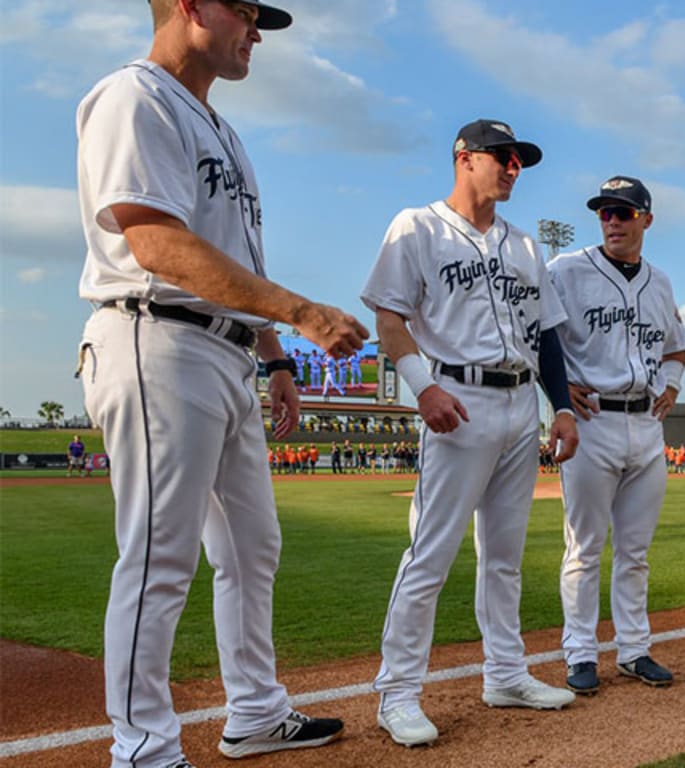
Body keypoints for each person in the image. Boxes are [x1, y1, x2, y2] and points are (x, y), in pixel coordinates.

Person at [75, 1, 363, 763]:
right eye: (243, 10)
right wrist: (299, 312)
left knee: (251, 547)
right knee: (158, 554)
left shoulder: (223, 132)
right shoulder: (134, 96)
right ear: (188, 5)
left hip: (224, 351)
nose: (256, 31)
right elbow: (156, 242)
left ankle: (256, 713)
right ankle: (142, 748)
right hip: (154, 334)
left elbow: (235, 263)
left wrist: (272, 355)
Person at [362, 119, 580, 746]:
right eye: (503, 157)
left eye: (520, 161)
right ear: (464, 158)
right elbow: (390, 316)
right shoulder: (418, 226)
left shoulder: (525, 246)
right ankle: (398, 692)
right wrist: (421, 385)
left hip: (520, 405)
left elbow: (545, 336)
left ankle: (506, 674)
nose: (514, 168)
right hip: (456, 398)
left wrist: (561, 407)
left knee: (505, 558)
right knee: (429, 554)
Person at [548, 175, 685, 693]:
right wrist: (558, 391)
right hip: (593, 422)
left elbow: (677, 346)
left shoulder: (661, 282)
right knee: (584, 547)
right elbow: (534, 334)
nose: (612, 221)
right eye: (605, 212)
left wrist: (672, 386)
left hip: (645, 426)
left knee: (636, 551)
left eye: (623, 213)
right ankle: (580, 652)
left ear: (646, 220)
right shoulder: (566, 270)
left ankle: (633, 649)